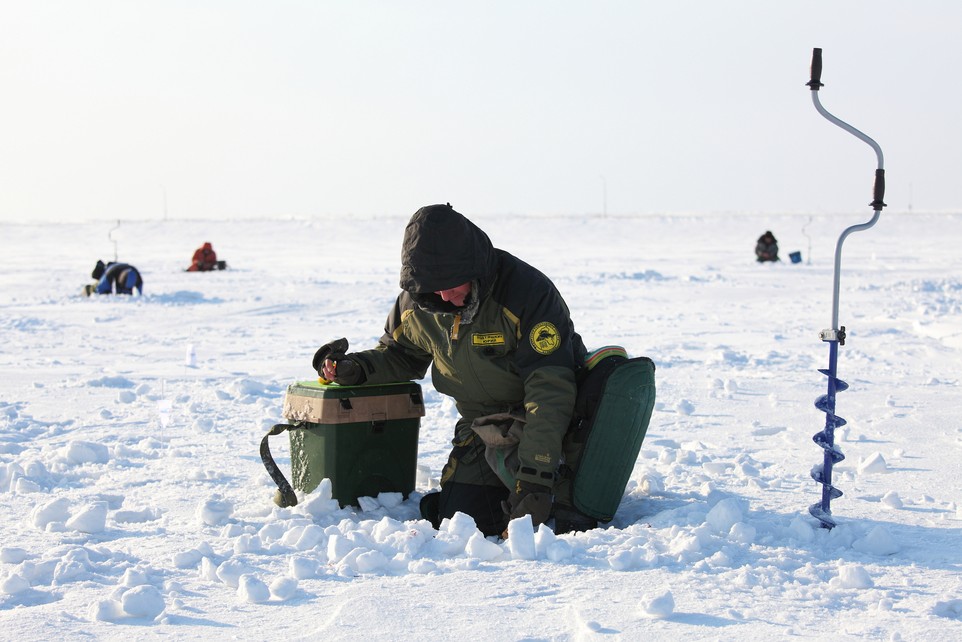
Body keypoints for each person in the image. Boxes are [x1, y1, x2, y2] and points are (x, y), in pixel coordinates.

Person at [312, 203, 588, 537]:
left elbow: (550, 388)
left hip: (542, 425)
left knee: (560, 518)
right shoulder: (418, 302)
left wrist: (537, 475)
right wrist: (355, 369)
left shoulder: (525, 292)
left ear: (473, 268)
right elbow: (399, 355)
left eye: (452, 283)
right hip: (483, 427)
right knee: (463, 522)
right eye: (433, 286)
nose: (444, 295)